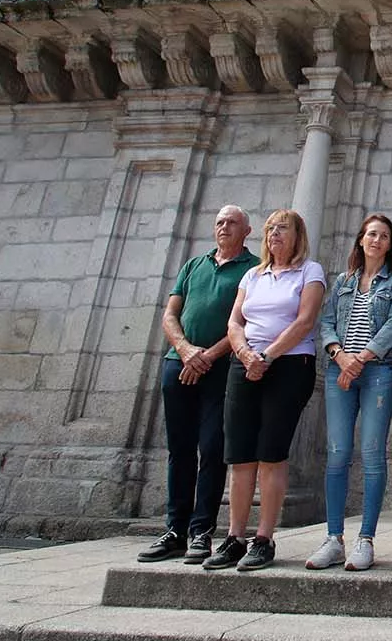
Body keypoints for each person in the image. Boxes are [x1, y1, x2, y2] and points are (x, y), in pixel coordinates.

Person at [203, 209, 324, 572]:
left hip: (288, 366)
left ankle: (264, 538)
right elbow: (235, 321)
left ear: (297, 235)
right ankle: (235, 537)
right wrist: (243, 352)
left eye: (282, 229)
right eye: (270, 229)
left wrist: (267, 356)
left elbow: (305, 321)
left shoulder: (309, 271)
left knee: (271, 451)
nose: (274, 235)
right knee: (239, 454)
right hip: (246, 364)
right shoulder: (253, 274)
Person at [138, 205, 259, 565]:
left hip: (221, 370)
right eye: (220, 222)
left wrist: (207, 357)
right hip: (178, 365)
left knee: (211, 449)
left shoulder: (252, 270)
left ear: (247, 230)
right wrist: (186, 350)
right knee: (180, 450)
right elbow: (170, 313)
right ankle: (174, 529)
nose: (224, 227)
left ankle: (201, 531)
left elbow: (247, 321)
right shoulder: (194, 265)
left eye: (232, 222)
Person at [305, 213, 392, 572]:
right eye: (371, 234)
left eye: (383, 236)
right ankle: (333, 539)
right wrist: (339, 355)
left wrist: (360, 360)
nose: (377, 240)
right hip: (341, 370)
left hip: (378, 371)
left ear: (390, 244)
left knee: (372, 453)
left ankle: (365, 539)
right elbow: (328, 321)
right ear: (361, 240)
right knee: (337, 452)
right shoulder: (343, 281)